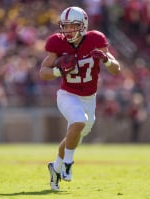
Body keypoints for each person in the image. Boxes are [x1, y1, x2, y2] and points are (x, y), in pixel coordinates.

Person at [39, 6, 121, 191]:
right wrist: (58, 70)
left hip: (88, 99)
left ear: (83, 25)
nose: (67, 30)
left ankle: (56, 167)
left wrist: (106, 59)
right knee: (78, 121)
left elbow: (116, 69)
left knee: (75, 134)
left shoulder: (95, 39)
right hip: (67, 94)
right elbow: (43, 73)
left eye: (72, 26)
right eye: (65, 26)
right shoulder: (57, 43)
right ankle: (68, 164)